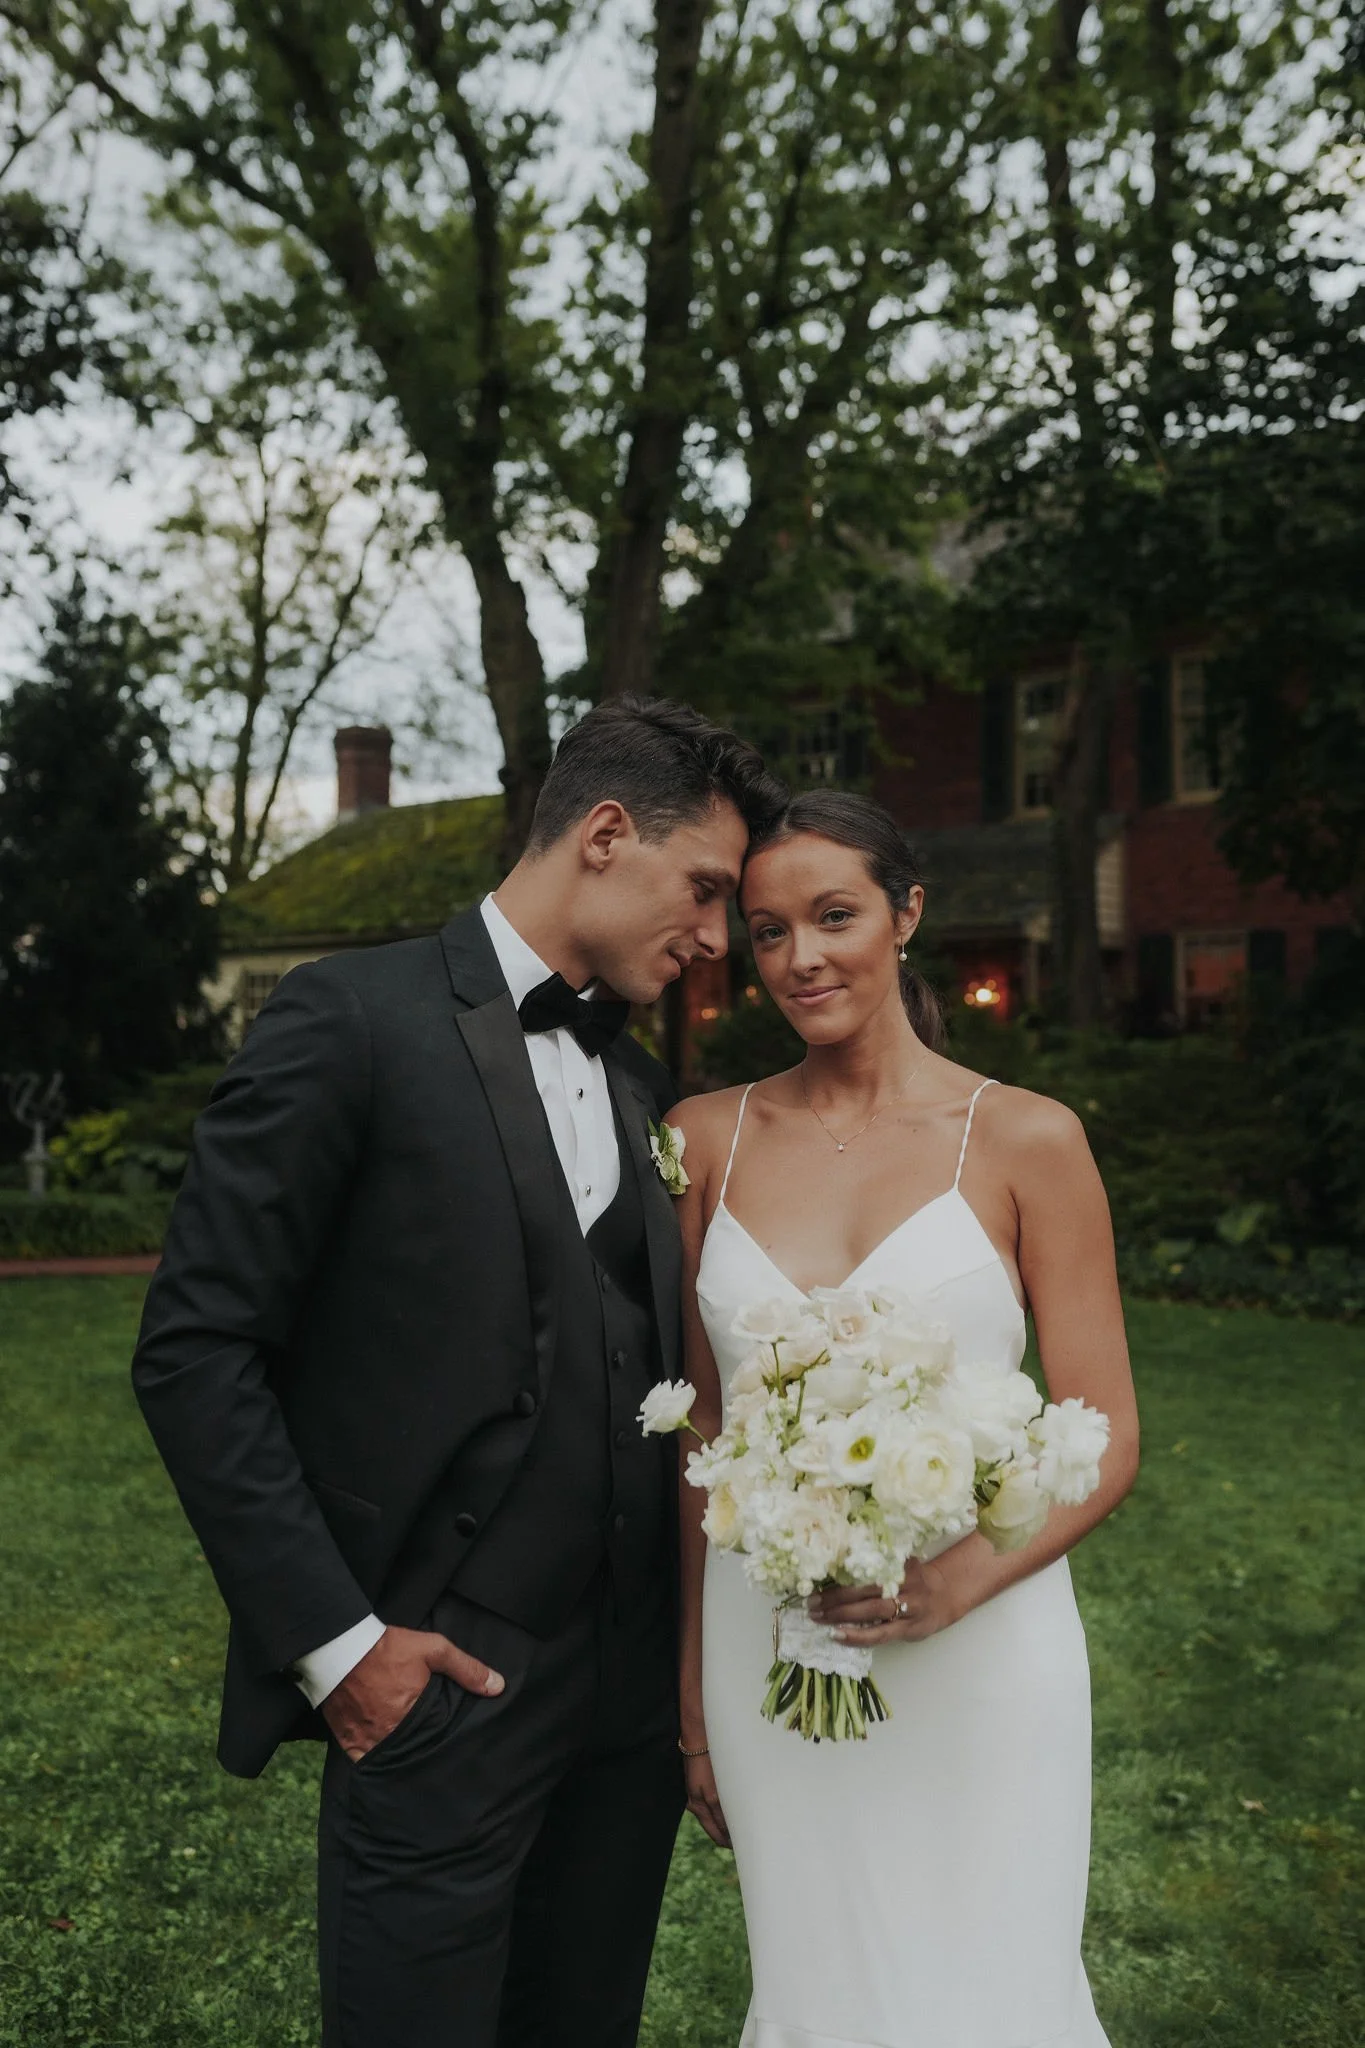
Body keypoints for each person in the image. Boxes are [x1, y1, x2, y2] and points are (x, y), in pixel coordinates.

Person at [131, 695, 787, 2048]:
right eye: (706, 890)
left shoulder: (642, 1093)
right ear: (606, 834)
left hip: (622, 1721)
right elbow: (197, 1350)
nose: (720, 938)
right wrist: (339, 1648)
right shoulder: (346, 1020)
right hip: (436, 1688)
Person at [670, 789, 1140, 2048]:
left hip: (983, 1647)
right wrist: (690, 1696)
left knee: (994, 1992)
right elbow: (700, 1441)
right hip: (769, 1645)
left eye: (834, 916)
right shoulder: (702, 1140)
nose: (801, 957)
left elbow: (1105, 1432)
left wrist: (951, 1586)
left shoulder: (1029, 1139)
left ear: (907, 912)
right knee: (818, 1987)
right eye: (768, 932)